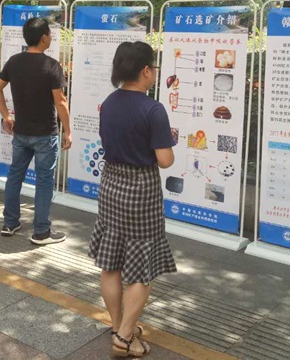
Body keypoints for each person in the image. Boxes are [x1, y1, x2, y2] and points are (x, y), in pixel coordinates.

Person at [90, 41, 177, 358]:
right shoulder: (153, 109)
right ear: (145, 71)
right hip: (141, 189)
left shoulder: (109, 103)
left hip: (111, 184)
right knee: (141, 268)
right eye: (153, 67)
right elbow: (165, 160)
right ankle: (125, 336)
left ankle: (119, 327)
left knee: (111, 263)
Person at [0, 17, 71, 245]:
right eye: (50, 34)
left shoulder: (14, 62)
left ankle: (10, 223)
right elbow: (60, 102)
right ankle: (41, 231)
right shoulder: (51, 65)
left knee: (15, 175)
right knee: (44, 181)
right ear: (44, 37)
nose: (51, 37)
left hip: (21, 132)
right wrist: (68, 130)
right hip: (45, 133)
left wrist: (6, 116)